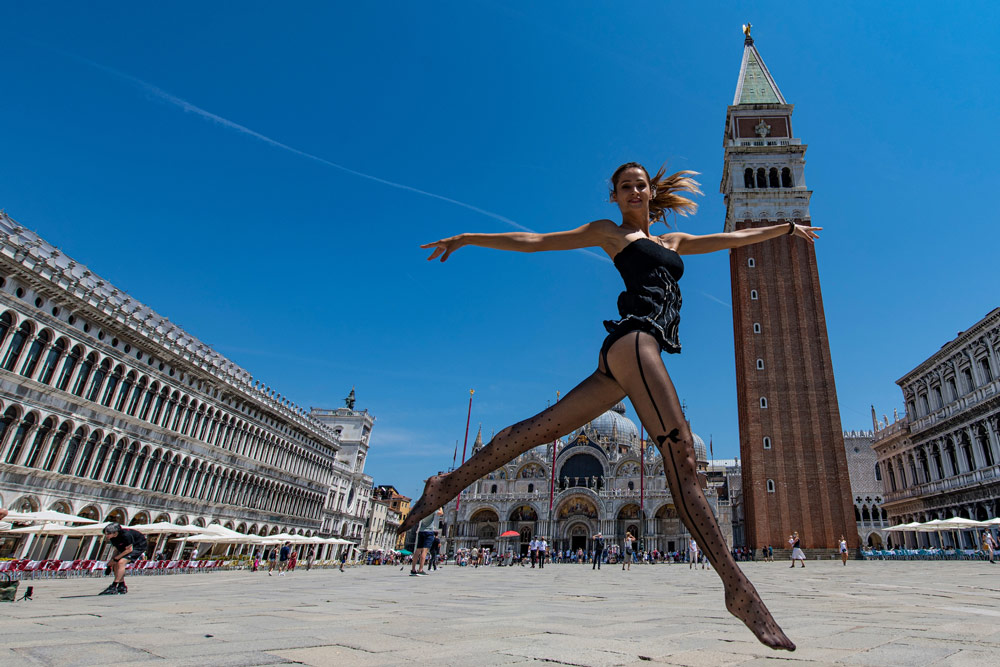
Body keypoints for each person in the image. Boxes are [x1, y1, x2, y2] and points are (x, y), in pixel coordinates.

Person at [402, 162, 810, 649]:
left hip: (628, 356)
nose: (634, 191)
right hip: (634, 342)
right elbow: (536, 241)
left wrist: (785, 226)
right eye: (625, 186)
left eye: (640, 184)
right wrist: (470, 236)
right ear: (614, 196)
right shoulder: (609, 233)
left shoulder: (672, 243)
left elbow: (730, 242)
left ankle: (446, 483)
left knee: (537, 431)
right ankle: (738, 590)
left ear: (650, 191)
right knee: (680, 457)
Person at [98, 523, 147, 595]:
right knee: (115, 564)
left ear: (115, 532)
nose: (107, 535)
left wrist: (116, 559)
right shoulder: (113, 538)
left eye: (108, 533)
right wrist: (112, 561)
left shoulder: (126, 535)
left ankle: (114, 586)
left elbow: (129, 550)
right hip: (125, 548)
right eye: (106, 533)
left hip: (138, 546)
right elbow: (116, 550)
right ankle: (121, 585)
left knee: (121, 562)